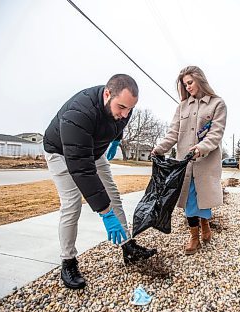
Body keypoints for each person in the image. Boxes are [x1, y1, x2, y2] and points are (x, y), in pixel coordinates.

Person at [43, 74, 157, 289]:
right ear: (107, 94)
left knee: (113, 195)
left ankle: (127, 247)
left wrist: (115, 140)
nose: (124, 114)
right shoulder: (78, 113)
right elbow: (82, 169)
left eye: (129, 109)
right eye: (121, 107)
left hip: (94, 150)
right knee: (71, 204)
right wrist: (105, 214)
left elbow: (120, 124)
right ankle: (68, 261)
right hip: (61, 152)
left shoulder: (125, 108)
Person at [152, 66, 227, 255]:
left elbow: (216, 133)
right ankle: (194, 235)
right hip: (184, 164)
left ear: (200, 79)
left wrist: (201, 148)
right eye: (185, 84)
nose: (188, 87)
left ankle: (205, 223)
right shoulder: (182, 107)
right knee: (189, 201)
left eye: (190, 82)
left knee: (202, 198)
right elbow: (173, 133)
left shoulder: (217, 104)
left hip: (206, 163)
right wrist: (160, 149)